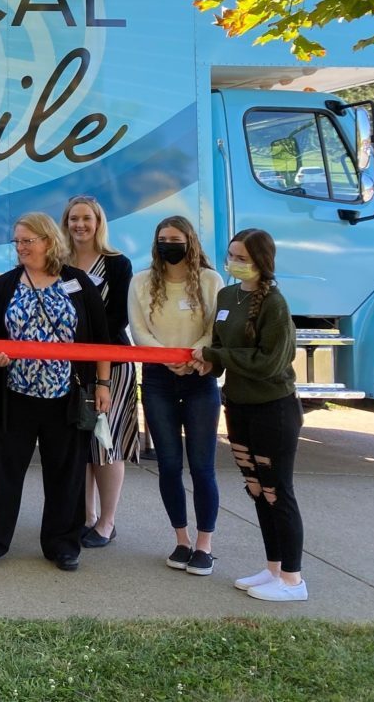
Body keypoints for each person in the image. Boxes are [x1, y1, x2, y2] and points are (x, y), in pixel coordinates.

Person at [0, 212, 111, 571]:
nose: (20, 248)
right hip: (13, 394)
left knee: (66, 473)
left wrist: (103, 384)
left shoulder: (78, 282)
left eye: (27, 241)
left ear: (48, 241)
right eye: (16, 241)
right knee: (2, 470)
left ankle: (63, 544)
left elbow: (100, 340)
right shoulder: (5, 285)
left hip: (65, 395)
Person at [193, 228, 306, 602]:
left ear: (261, 261)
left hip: (273, 409)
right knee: (256, 489)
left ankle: (293, 579)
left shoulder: (275, 303)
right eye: (231, 256)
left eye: (242, 258)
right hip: (238, 407)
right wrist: (203, 362)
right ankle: (273, 567)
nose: (234, 264)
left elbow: (269, 362)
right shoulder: (227, 296)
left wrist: (214, 358)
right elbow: (220, 351)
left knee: (277, 491)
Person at [129, 216, 223, 575]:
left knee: (202, 467)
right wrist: (170, 361)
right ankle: (181, 540)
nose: (169, 244)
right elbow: (139, 332)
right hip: (157, 379)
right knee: (169, 464)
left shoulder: (211, 281)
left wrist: (195, 355)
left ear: (190, 242)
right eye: (163, 239)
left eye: (176, 238)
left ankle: (204, 544)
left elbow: (216, 327)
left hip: (200, 378)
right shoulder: (140, 283)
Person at [61, 195, 137, 548]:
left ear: (98, 222)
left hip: (112, 366)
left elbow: (119, 315)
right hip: (73, 366)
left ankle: (107, 522)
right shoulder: (60, 263)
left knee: (107, 443)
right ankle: (86, 516)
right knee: (81, 444)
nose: (80, 224)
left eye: (86, 218)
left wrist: (86, 337)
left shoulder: (117, 264)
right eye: (74, 218)